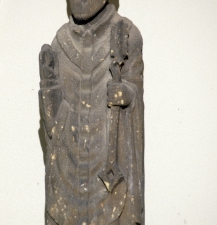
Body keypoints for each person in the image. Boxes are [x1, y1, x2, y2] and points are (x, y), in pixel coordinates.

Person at [39, 1, 144, 224]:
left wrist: (127, 93)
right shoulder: (60, 42)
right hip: (68, 170)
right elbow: (53, 128)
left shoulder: (125, 33)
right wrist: (48, 84)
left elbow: (135, 93)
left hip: (108, 165)